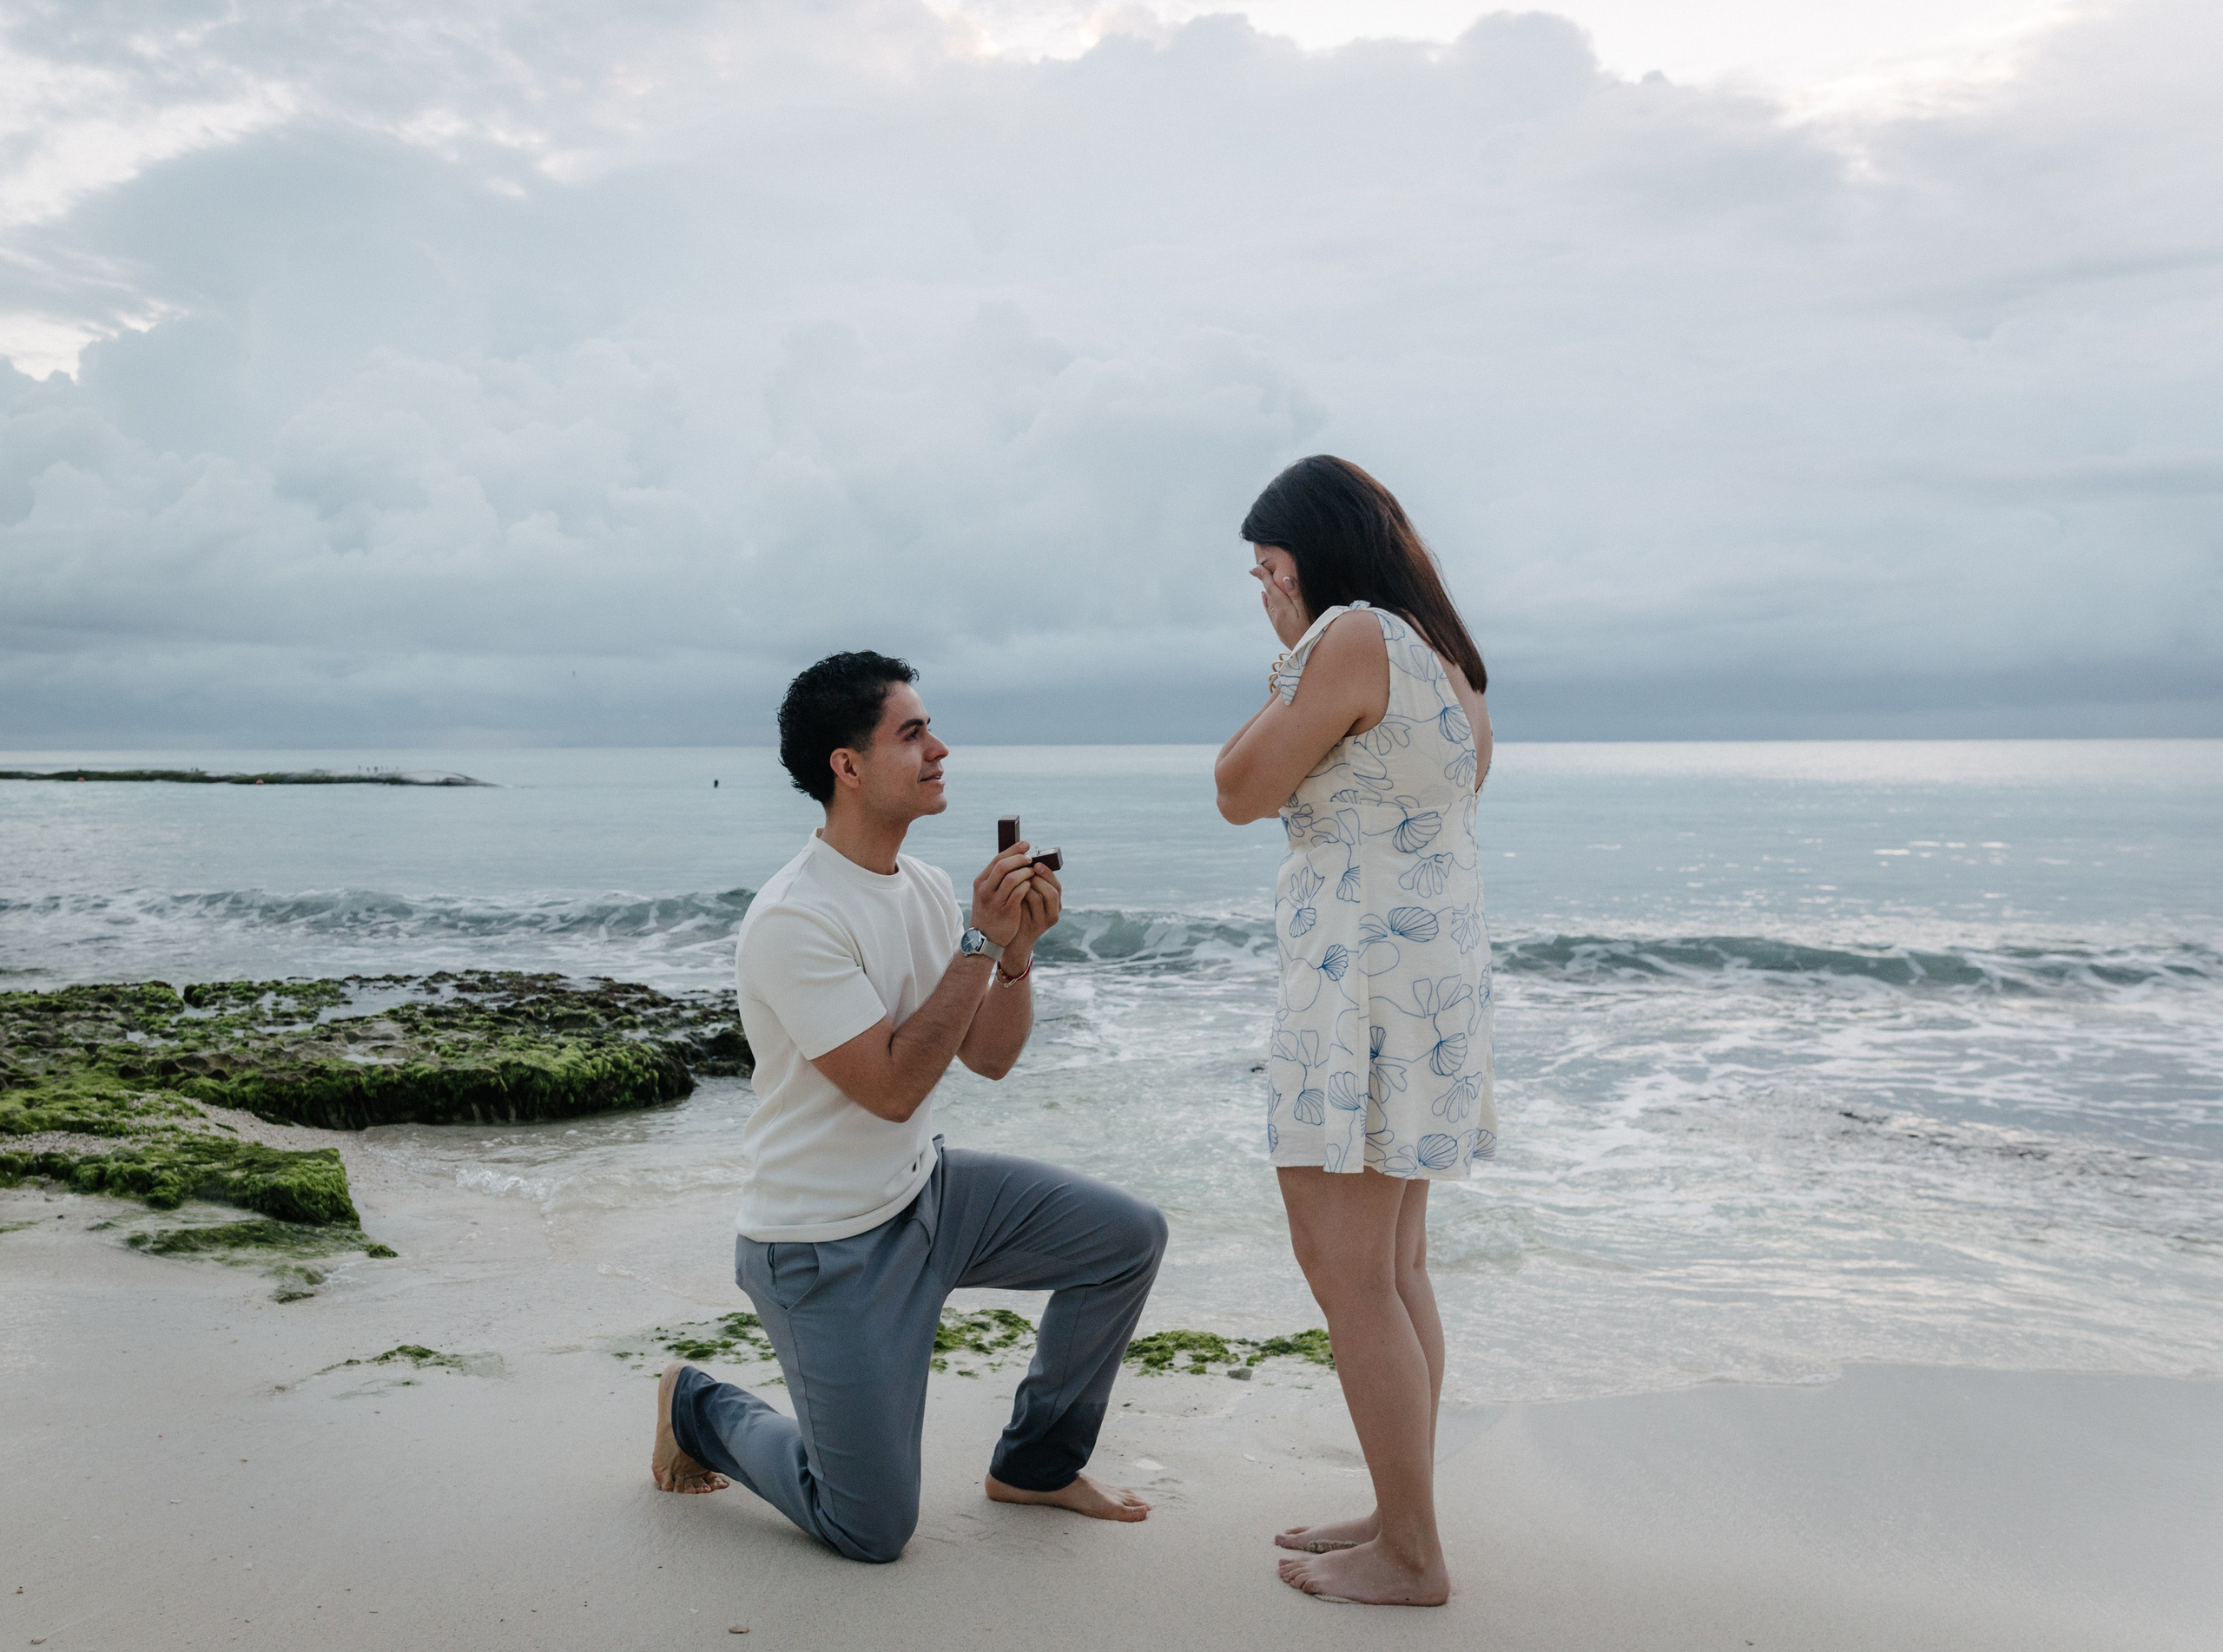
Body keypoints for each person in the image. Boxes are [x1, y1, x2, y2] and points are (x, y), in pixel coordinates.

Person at [651, 650, 1167, 1562]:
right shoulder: (793, 918)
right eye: (912, 732)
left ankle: (1037, 1463)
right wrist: (980, 939)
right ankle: (699, 1407)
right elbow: (891, 1089)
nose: (940, 748)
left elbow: (991, 1058)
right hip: (822, 1244)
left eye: (929, 727)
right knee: (870, 1528)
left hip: (929, 1197)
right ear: (846, 767)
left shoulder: (925, 887)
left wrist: (1014, 956)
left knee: (1125, 1237)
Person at [1214, 456, 1495, 1607]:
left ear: (1313, 557)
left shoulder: (1347, 638)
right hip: (1425, 975)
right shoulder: (1448, 660)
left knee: (1347, 1270)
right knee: (1396, 1263)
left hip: (1359, 984)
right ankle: (1400, 1508)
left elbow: (1237, 784)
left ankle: (1415, 1552)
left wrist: (1290, 642)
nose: (1262, 587)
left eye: (1268, 567)